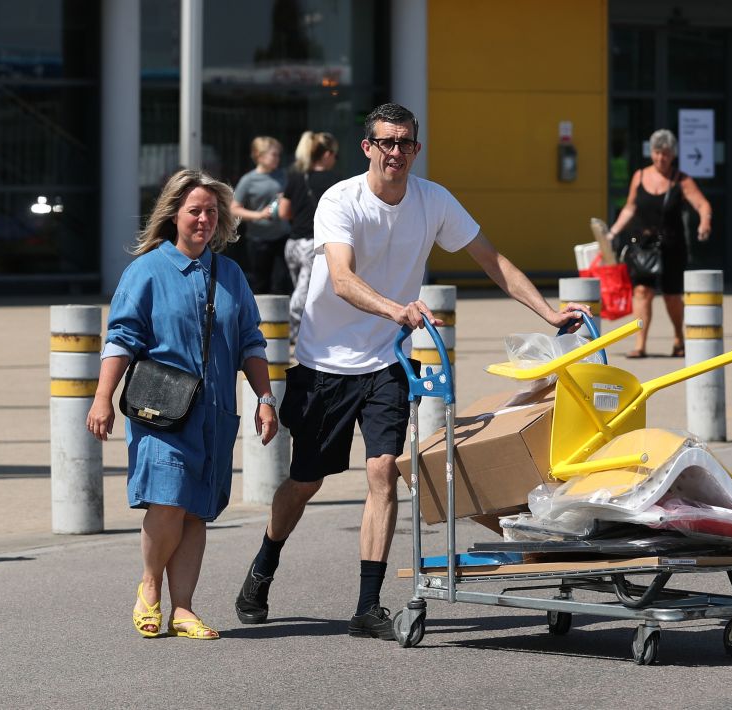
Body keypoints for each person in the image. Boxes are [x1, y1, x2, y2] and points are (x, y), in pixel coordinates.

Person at [234, 102, 591, 639]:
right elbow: (341, 278)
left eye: (405, 143)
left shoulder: (433, 200)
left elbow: (492, 260)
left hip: (385, 361)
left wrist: (548, 312)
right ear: (368, 148)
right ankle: (264, 565)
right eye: (386, 143)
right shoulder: (340, 199)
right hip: (324, 363)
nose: (396, 152)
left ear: (416, 149)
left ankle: (367, 606)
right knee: (305, 481)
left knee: (383, 472)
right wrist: (396, 309)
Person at [87, 169, 279, 640]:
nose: (204, 219)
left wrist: (266, 398)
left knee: (196, 510)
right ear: (174, 214)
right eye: (195, 210)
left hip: (215, 413)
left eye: (212, 212)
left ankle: (184, 608)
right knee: (169, 501)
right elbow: (122, 339)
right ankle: (149, 587)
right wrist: (102, 398)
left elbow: (251, 342)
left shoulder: (229, 273)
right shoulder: (147, 270)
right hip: (162, 412)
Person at [607, 129, 712, 358]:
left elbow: (703, 205)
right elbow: (630, 207)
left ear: (672, 155)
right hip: (643, 246)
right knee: (642, 292)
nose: (660, 158)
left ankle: (678, 337)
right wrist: (613, 231)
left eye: (665, 154)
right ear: (651, 153)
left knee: (672, 296)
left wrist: (704, 222)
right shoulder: (640, 176)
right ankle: (640, 343)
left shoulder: (681, 180)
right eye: (657, 153)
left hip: (671, 247)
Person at [279, 131, 340, 340]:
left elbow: (283, 212)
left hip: (293, 244)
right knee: (305, 294)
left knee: (303, 291)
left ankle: (303, 332)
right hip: (314, 245)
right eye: (335, 155)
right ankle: (289, 333)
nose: (335, 160)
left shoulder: (297, 177)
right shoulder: (335, 181)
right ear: (327, 154)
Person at [231, 136, 289, 294]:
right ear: (260, 156)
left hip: (282, 236)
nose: (277, 158)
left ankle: (281, 318)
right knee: (260, 282)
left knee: (281, 282)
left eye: (278, 155)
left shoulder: (283, 175)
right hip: (258, 239)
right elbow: (234, 209)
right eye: (274, 154)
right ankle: (261, 318)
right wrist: (259, 215)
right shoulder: (249, 180)